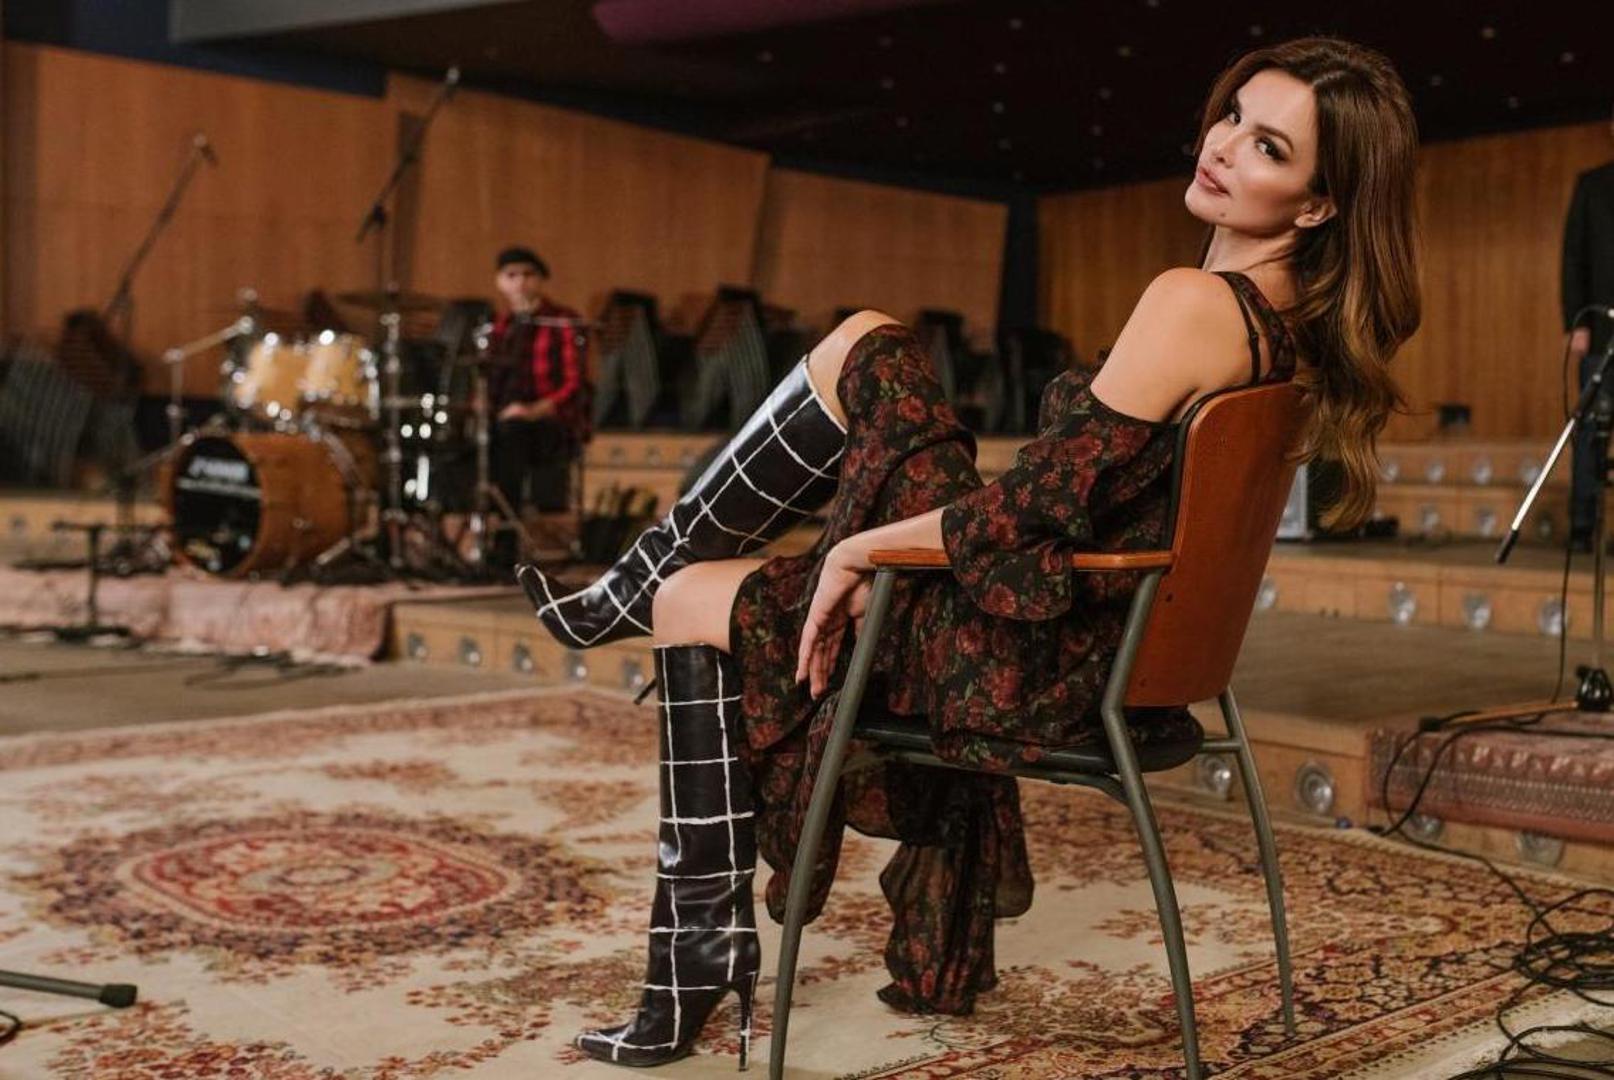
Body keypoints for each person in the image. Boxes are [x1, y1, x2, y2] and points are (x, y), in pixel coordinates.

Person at [519, 36, 1421, 1069]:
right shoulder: (1287, 331)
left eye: (1267, 148)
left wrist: (861, 551)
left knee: (691, 593)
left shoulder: (1194, 303)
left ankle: (690, 948)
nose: (1222, 146)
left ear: (1317, 206)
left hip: (1030, 654)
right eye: (1233, 116)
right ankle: (643, 608)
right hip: (1097, 640)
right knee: (865, 346)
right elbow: (1048, 504)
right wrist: (874, 545)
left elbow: (1029, 510)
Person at [484, 245, 590, 518]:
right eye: (511, 275)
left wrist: (532, 410)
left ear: (541, 280)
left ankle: (509, 528)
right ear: (499, 281)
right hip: (503, 417)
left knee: (511, 436)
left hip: (549, 422)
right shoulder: (498, 325)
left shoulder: (562, 321)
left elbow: (574, 384)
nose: (520, 282)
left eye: (528, 274)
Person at [1563, 105, 1614, 551]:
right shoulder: (1592, 185)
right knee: (1591, 429)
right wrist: (1575, 323)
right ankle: (1582, 525)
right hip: (1600, 330)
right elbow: (1573, 257)